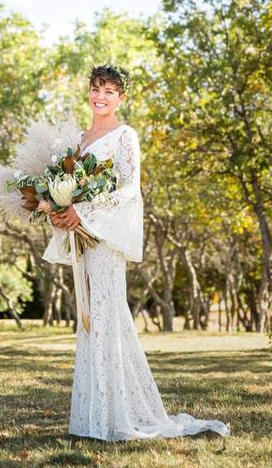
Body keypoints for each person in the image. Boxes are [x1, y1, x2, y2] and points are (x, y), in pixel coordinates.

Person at [42, 63, 231, 442]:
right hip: (80, 238)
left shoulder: (124, 136)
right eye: (97, 88)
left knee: (107, 316)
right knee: (88, 321)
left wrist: (85, 211)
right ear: (89, 91)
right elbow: (63, 188)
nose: (101, 97)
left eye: (110, 91)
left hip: (104, 238)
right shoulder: (76, 140)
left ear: (120, 98)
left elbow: (130, 190)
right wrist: (60, 213)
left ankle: (117, 417)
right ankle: (92, 418)